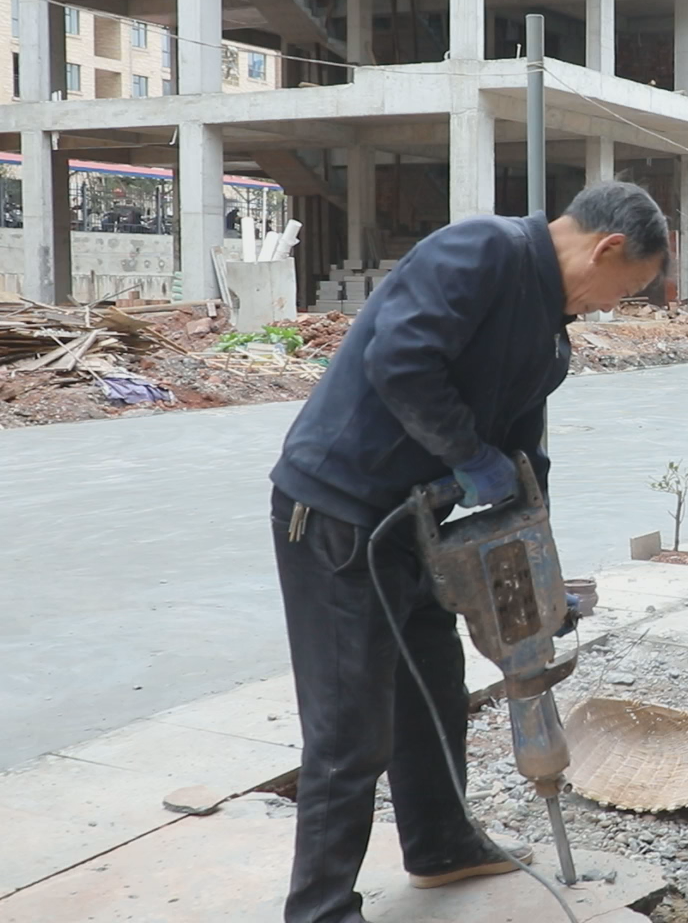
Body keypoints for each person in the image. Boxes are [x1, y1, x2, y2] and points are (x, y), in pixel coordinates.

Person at [266, 181, 667, 923]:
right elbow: (403, 363)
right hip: (337, 514)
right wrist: (467, 453)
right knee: (349, 730)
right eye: (626, 288)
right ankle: (319, 911)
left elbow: (521, 453)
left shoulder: (549, 328)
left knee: (433, 691)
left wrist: (533, 569)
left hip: (419, 527)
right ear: (607, 248)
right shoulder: (482, 252)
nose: (613, 306)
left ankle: (441, 845)